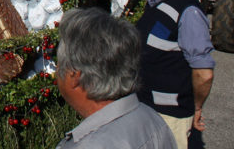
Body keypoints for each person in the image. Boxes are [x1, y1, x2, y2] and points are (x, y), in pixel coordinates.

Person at [55, 8, 176, 149]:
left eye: (59, 62)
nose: (57, 69)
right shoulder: (153, 120)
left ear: (74, 75)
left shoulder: (89, 145)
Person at [136, 0, 215, 149]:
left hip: (168, 118)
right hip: (144, 108)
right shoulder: (155, 3)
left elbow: (204, 73)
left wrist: (196, 107)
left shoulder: (188, 12)